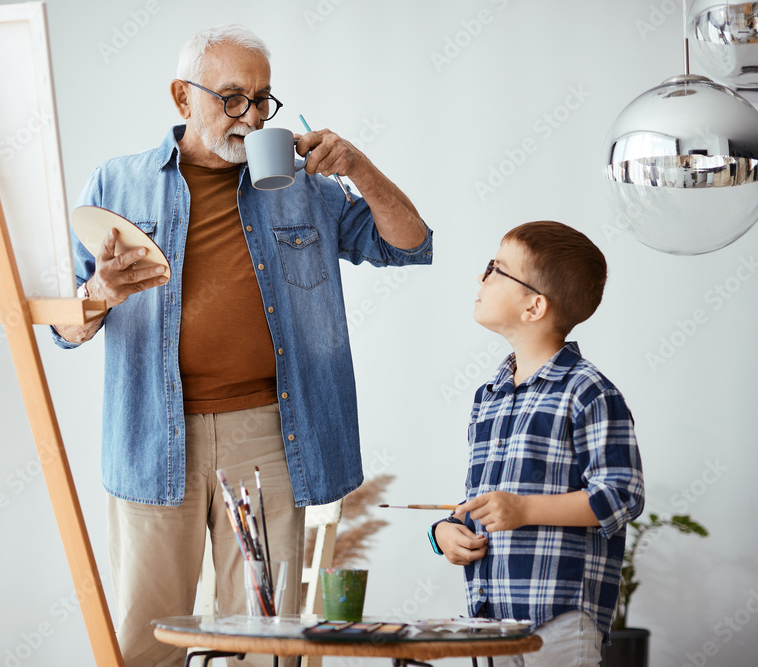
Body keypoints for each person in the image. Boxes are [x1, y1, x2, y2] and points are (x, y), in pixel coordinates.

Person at [51, 24, 432, 666]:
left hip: (272, 437)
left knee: (266, 642)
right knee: (146, 642)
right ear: (182, 97)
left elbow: (409, 244)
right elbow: (60, 325)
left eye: (262, 99)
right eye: (231, 97)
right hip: (151, 436)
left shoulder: (306, 187)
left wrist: (358, 167)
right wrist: (100, 295)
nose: (251, 117)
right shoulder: (117, 184)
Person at [429, 221, 645, 666]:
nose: (481, 277)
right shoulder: (488, 396)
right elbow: (488, 502)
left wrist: (524, 510)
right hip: (490, 621)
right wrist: (445, 531)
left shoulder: (588, 391)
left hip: (559, 621)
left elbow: (621, 496)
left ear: (533, 307)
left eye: (496, 269)